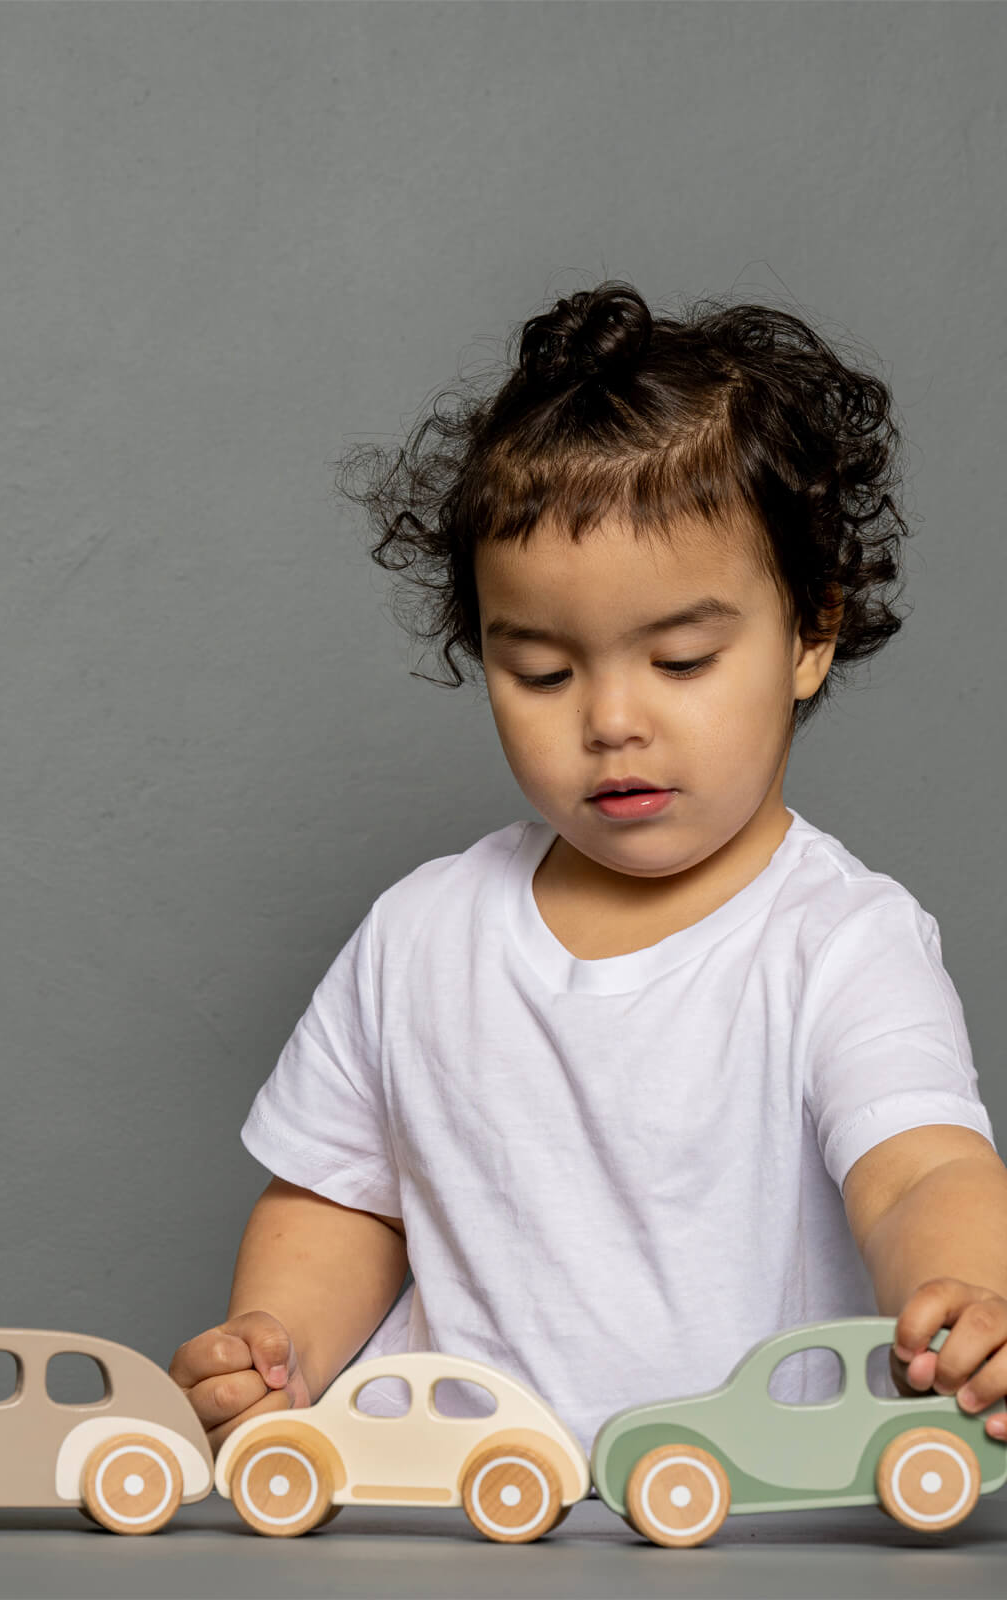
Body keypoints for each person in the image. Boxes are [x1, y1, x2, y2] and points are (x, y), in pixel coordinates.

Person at [169, 280, 1007, 1463]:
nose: (611, 720)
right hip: (452, 1508)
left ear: (809, 635)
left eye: (679, 659)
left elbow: (918, 1166)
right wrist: (277, 1345)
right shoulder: (422, 936)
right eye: (544, 673)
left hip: (744, 1512)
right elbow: (341, 1200)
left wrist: (970, 1289)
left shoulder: (838, 941)